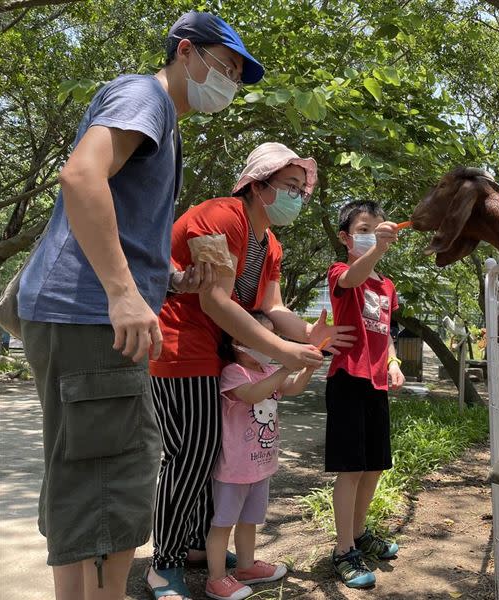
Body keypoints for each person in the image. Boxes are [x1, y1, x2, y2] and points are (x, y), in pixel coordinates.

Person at [15, 10, 263, 600]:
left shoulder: (161, 122)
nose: (227, 80)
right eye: (223, 65)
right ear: (185, 51)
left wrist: (170, 281)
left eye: (234, 72)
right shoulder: (144, 98)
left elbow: (118, 220)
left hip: (74, 312)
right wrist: (124, 294)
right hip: (90, 316)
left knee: (81, 475)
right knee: (116, 481)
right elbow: (80, 178)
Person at [148, 142, 356, 597]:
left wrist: (307, 333)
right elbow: (214, 299)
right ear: (258, 185)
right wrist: (283, 349)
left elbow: (271, 305)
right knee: (192, 455)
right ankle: (164, 563)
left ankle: (197, 547)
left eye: (302, 190)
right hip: (181, 346)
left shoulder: (271, 244)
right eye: (289, 187)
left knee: (213, 458)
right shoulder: (222, 217)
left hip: (219, 350)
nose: (298, 197)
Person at [204, 313, 314, 600]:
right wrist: (283, 369)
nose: (269, 345)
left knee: (250, 520)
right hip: (234, 469)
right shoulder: (233, 373)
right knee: (222, 524)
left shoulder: (267, 370)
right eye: (262, 338)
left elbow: (293, 388)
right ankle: (216, 578)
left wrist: (308, 368)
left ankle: (246, 567)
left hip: (260, 466)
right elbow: (252, 395)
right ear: (238, 343)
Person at [325, 200, 406, 588]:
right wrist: (377, 249)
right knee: (351, 468)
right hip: (347, 380)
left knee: (374, 467)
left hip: (376, 382)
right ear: (345, 237)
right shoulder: (342, 272)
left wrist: (392, 361)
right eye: (362, 229)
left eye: (376, 227)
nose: (371, 234)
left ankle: (359, 535)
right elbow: (352, 280)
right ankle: (343, 550)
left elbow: (385, 331)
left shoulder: (387, 285)